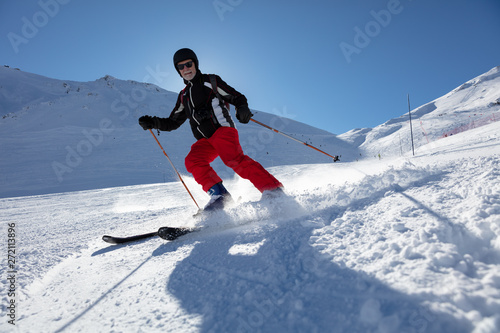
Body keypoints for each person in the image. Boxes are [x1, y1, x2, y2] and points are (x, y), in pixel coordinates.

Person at [139, 48, 283, 211]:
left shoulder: (210, 81)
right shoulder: (183, 96)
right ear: (178, 71)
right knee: (193, 161)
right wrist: (153, 122)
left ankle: (273, 190)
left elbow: (236, 96)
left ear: (195, 64)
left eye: (189, 64)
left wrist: (241, 107)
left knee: (234, 159)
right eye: (181, 67)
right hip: (205, 140)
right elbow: (173, 122)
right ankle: (220, 196)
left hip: (222, 130)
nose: (186, 69)